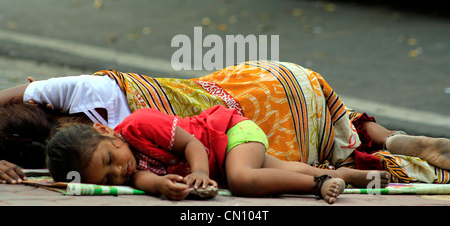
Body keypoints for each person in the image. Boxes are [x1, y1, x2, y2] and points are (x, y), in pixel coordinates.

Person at [1, 61, 449, 185]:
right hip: (268, 82)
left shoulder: (104, 135)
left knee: (267, 167)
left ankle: (379, 155)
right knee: (338, 128)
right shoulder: (73, 96)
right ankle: (396, 138)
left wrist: (196, 174)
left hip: (253, 120)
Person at [46, 105, 390, 204]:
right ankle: (349, 176)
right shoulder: (131, 169)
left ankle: (319, 185)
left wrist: (198, 172)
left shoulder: (137, 125)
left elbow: (193, 145)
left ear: (105, 132)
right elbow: (144, 180)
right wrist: (166, 189)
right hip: (227, 156)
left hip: (231, 131)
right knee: (283, 170)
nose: (119, 172)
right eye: (108, 179)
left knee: (243, 180)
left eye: (109, 161)